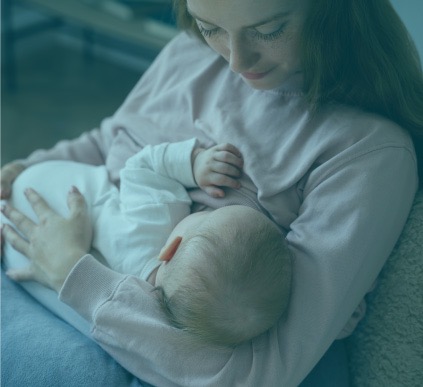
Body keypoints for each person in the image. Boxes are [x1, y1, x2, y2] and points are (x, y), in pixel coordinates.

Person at [1, 0, 422, 385]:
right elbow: (109, 141)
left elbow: (262, 371)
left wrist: (70, 270)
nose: (236, 61)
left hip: (145, 339)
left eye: (270, 30)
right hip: (58, 264)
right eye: (209, 26)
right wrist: (26, 171)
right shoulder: (189, 52)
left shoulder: (367, 150)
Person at [4, 138, 292, 348]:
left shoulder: (157, 219)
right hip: (22, 252)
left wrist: (192, 164)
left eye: (207, 215)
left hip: (42, 191)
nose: (204, 209)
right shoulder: (138, 308)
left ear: (171, 248)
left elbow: (141, 166)